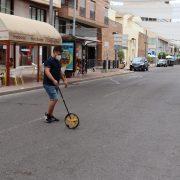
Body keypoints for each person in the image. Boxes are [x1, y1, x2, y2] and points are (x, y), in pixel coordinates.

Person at [43, 46, 68, 123]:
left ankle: (51, 115)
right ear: (55, 51)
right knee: (54, 98)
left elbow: (60, 71)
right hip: (48, 83)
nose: (60, 54)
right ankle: (48, 116)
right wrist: (53, 80)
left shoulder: (57, 61)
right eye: (59, 53)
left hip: (55, 84)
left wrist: (64, 80)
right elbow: (47, 71)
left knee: (53, 99)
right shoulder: (49, 60)